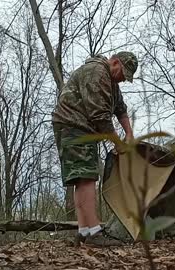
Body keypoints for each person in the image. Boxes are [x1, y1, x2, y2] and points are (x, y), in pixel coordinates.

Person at [52, 51, 137, 247]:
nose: (122, 80)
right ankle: (94, 233)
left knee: (82, 178)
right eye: (123, 75)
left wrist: (129, 133)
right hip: (73, 125)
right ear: (115, 62)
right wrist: (118, 142)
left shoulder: (112, 82)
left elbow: (120, 109)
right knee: (86, 176)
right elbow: (99, 115)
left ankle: (83, 231)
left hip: (78, 127)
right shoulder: (97, 72)